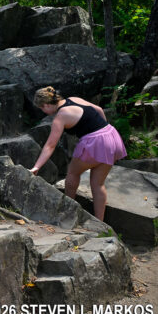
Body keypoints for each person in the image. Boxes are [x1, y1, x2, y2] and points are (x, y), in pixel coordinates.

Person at [29, 86, 126, 220]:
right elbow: (99, 109)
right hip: (111, 136)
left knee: (72, 173)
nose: (43, 112)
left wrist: (37, 166)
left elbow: (50, 146)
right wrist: (103, 128)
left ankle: (68, 211)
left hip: (94, 143)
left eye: (42, 109)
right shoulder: (73, 99)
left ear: (46, 105)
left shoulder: (60, 117)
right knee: (98, 184)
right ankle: (100, 222)